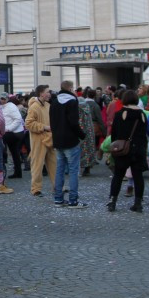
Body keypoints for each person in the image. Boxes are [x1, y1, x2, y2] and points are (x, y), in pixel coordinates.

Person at [106, 90, 148, 213]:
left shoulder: (120, 114)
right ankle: (138, 203)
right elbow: (144, 134)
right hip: (138, 149)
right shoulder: (142, 115)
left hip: (123, 149)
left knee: (118, 176)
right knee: (138, 176)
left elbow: (114, 135)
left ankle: (112, 202)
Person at [50, 80, 87, 208]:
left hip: (58, 140)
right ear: (71, 89)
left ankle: (58, 199)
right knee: (73, 171)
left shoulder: (54, 102)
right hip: (70, 140)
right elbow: (74, 123)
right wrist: (82, 135)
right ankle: (73, 200)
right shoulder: (72, 101)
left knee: (59, 170)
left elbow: (52, 122)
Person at [24, 85, 55, 197]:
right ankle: (36, 189)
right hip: (38, 141)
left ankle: (57, 186)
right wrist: (44, 127)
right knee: (37, 165)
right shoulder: (34, 107)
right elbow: (28, 124)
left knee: (54, 163)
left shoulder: (48, 105)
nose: (49, 94)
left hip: (50, 139)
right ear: (41, 93)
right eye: (47, 92)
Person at [1, 95, 26, 180]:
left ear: (7, 99)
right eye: (1, 98)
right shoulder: (4, 107)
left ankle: (15, 171)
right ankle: (17, 172)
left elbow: (18, 119)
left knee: (12, 151)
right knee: (14, 153)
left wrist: (8, 129)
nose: (2, 100)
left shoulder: (10, 107)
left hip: (14, 133)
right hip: (13, 132)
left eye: (3, 98)